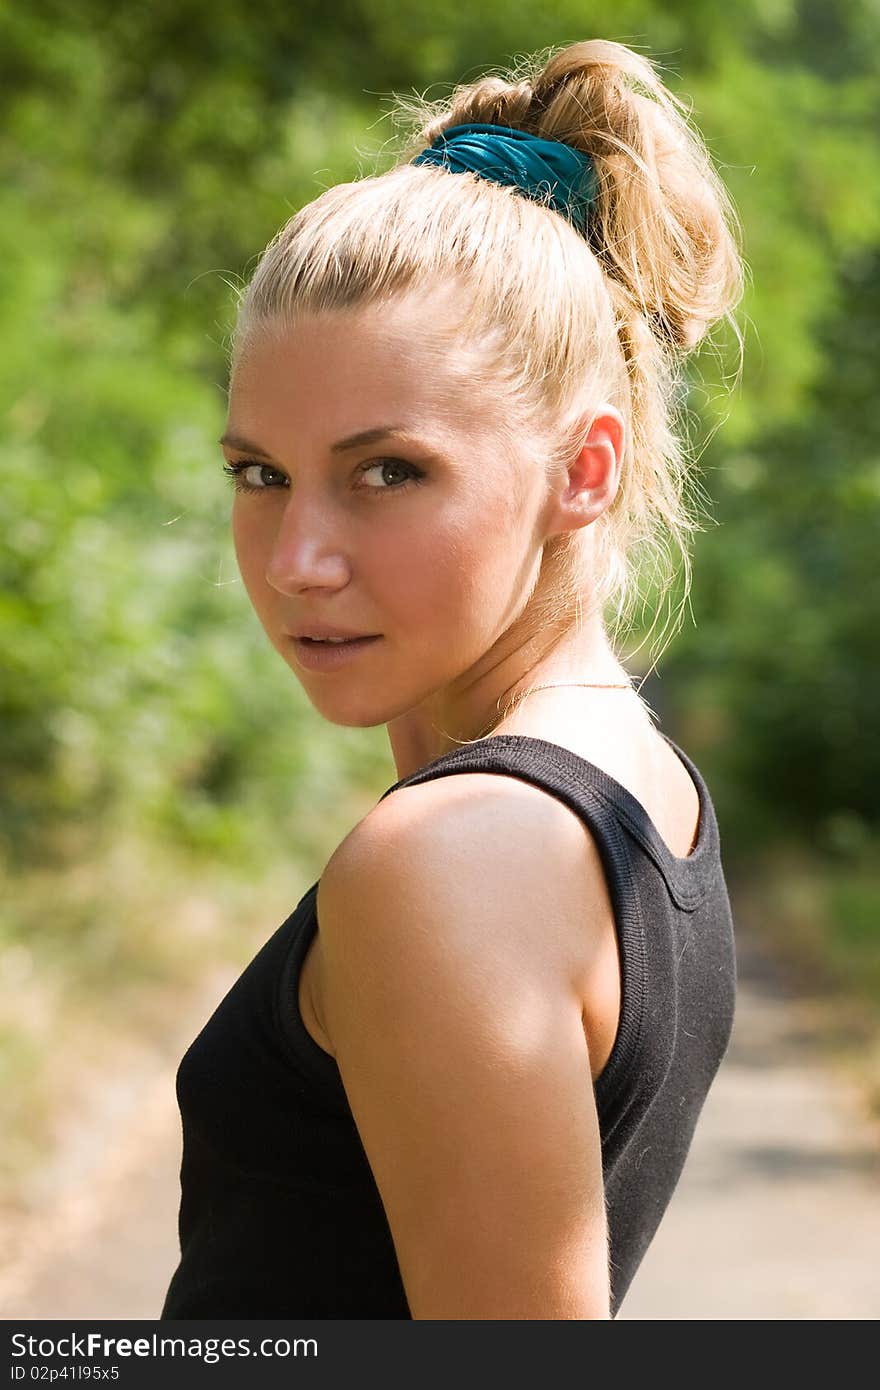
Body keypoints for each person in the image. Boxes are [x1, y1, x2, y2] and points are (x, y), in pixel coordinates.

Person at [161, 38, 742, 1321]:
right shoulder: (638, 788)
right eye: (259, 473)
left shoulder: (457, 854)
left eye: (388, 471)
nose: (297, 560)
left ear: (582, 471)